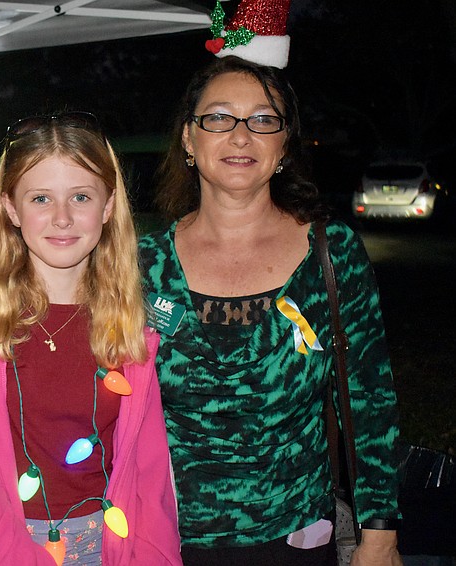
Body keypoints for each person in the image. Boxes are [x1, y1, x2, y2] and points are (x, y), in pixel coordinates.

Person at [138, 55, 402, 566]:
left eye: (263, 120)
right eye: (218, 117)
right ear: (189, 140)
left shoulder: (332, 252)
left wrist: (380, 535)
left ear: (283, 146)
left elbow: (370, 402)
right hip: (163, 539)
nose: (240, 136)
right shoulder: (141, 264)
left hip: (297, 539)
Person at [0, 112, 182, 565]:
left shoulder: (128, 331)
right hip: (3, 549)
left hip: (108, 545)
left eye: (80, 196)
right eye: (40, 198)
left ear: (107, 207)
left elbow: (149, 481)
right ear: (10, 208)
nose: (62, 218)